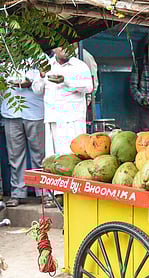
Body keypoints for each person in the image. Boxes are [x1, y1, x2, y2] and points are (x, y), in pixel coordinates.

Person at [33, 46, 93, 207]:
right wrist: (40, 76)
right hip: (53, 118)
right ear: (54, 49)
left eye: (69, 46)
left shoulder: (79, 65)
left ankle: (74, 194)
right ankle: (57, 195)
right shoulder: (47, 65)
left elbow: (88, 88)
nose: (65, 50)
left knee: (71, 157)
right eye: (61, 46)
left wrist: (66, 82)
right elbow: (37, 89)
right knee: (54, 158)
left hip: (72, 119)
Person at [1, 69, 45, 207]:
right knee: (14, 157)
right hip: (11, 113)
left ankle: (43, 192)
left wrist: (30, 83)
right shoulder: (5, 63)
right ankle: (17, 193)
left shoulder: (39, 59)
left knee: (39, 155)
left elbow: (43, 85)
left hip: (35, 112)